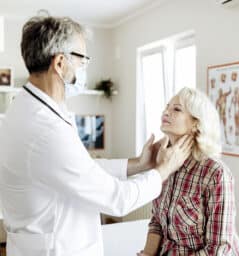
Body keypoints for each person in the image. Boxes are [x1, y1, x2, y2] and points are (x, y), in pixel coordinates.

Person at [0, 16, 193, 256]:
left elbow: (80, 168)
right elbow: (118, 200)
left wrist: (138, 164)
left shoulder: (26, 110)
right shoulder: (45, 129)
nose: (84, 68)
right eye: (82, 60)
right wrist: (163, 170)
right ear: (60, 63)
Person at [138, 87, 239, 256]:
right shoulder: (163, 164)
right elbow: (157, 222)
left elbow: (218, 249)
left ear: (196, 124)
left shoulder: (215, 173)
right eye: (167, 106)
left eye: (176, 109)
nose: (166, 111)